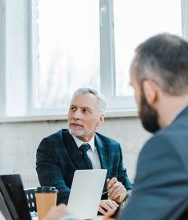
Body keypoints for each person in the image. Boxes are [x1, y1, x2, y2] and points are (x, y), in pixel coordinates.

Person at [44, 33, 188, 220]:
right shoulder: (52, 145)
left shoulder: (167, 147)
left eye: (134, 89)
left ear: (149, 91)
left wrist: (63, 219)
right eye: (73, 108)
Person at [36, 88, 132, 215]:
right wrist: (92, 204)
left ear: (100, 119)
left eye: (85, 110)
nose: (76, 116)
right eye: (73, 108)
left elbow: (130, 195)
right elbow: (56, 192)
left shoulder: (112, 147)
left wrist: (123, 197)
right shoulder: (50, 145)